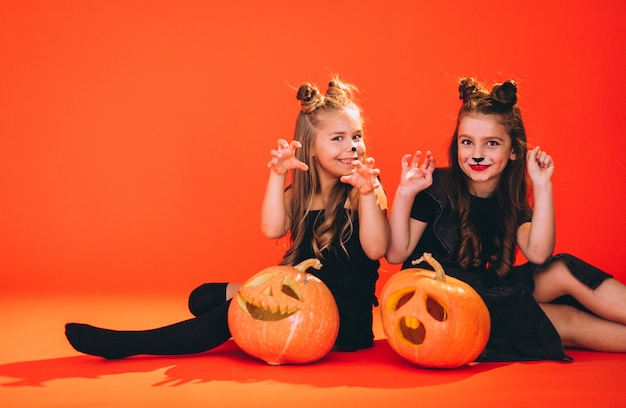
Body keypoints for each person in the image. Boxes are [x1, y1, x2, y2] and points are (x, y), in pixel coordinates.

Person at [65, 77, 390, 359]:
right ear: (310, 147)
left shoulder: (364, 192)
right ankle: (242, 317)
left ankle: (129, 343)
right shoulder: (298, 195)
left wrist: (366, 192)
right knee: (202, 296)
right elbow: (271, 228)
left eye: (357, 136)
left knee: (227, 314)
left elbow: (376, 249)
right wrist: (277, 176)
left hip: (336, 322)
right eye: (338, 138)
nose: (353, 147)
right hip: (297, 293)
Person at [385, 77, 626, 361]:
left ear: (513, 151)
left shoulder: (508, 197)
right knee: (564, 318)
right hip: (445, 303)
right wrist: (405, 193)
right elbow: (395, 253)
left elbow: (538, 254)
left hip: (486, 287)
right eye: (467, 142)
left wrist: (542, 185)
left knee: (563, 268)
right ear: (457, 145)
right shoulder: (435, 187)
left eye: (491, 144)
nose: (477, 154)